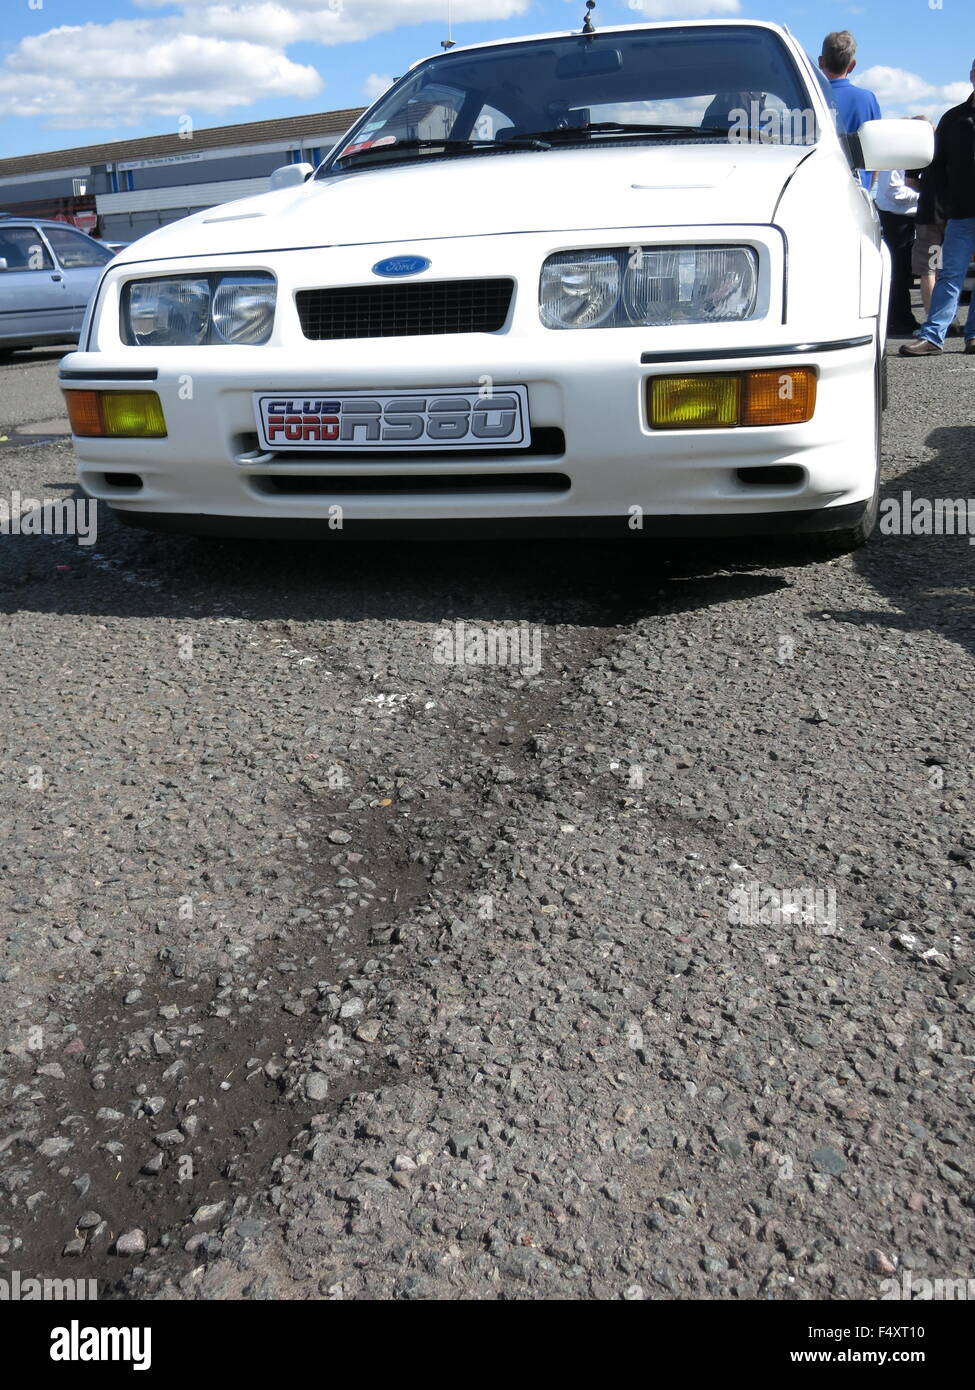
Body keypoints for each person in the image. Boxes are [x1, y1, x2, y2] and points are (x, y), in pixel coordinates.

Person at [901, 59, 975, 356]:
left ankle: (973, 337)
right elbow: (937, 168)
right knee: (949, 273)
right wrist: (943, 208)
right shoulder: (953, 119)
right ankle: (933, 337)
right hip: (960, 214)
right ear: (971, 76)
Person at [818, 30, 881, 188]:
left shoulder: (804, 97)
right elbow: (877, 153)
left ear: (821, 61)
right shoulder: (867, 99)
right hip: (855, 193)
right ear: (852, 65)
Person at [875, 163, 919, 334]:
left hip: (907, 217)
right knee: (898, 272)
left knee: (904, 273)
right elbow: (893, 191)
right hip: (896, 218)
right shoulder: (897, 157)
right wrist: (924, 196)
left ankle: (902, 317)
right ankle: (897, 319)